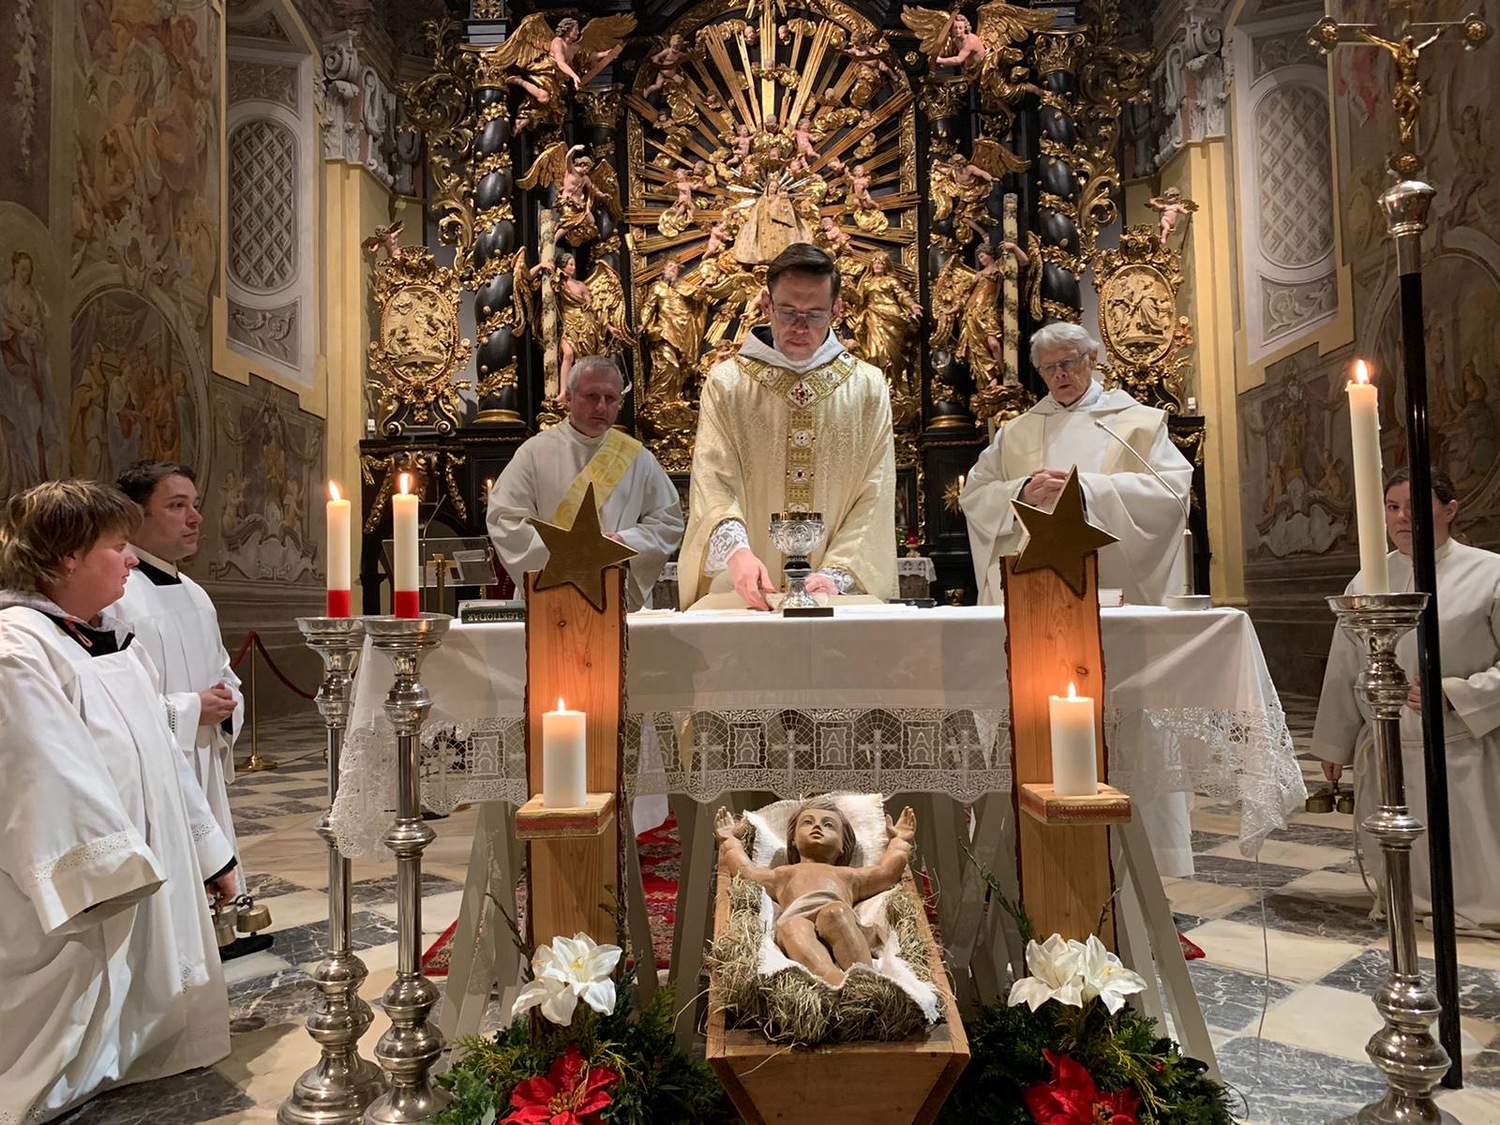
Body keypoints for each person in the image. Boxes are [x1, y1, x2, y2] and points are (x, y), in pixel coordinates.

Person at [0, 479, 236, 1121]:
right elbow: (45, 779)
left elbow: (166, 761)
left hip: (150, 870)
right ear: (67, 555)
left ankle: (137, 1046)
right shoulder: (19, 648)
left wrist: (211, 853)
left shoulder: (117, 646)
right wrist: (112, 870)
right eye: (117, 546)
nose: (132, 559)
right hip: (96, 892)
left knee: (149, 1020)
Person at [1312, 468, 1500, 933]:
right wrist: (1334, 746)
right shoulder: (1369, 580)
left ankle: (1479, 906)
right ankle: (1408, 899)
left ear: (1450, 509)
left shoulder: (1489, 573)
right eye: (1392, 508)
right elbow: (1345, 666)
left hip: (1463, 742)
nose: (1400, 519)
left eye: (1413, 507)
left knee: (1472, 845)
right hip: (1391, 741)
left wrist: (1457, 693)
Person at [677, 242, 898, 609]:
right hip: (745, 591)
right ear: (766, 305)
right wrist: (737, 553)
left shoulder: (867, 387)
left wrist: (835, 574)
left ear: (837, 310)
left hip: (833, 598)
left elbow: (875, 493)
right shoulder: (728, 384)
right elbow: (713, 479)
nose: (800, 326)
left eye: (814, 314)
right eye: (788, 311)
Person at [111, 460, 263, 957]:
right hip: (160, 760)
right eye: (177, 506)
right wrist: (185, 708)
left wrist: (226, 700)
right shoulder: (117, 595)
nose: (195, 517)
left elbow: (223, 670)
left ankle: (213, 931)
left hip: (202, 754)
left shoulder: (196, 593)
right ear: (135, 517)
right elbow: (111, 697)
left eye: (195, 505)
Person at [959, 322, 1192, 606]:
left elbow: (1172, 491)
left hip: (1113, 583)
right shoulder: (1015, 433)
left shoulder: (1136, 423)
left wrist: (1085, 492)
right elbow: (975, 494)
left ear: (1092, 359)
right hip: (1036, 588)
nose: (1060, 374)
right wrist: (1022, 492)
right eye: (1049, 368)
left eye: (1068, 361)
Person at [488, 355, 683, 610]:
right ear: (568, 397)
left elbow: (668, 522)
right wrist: (568, 553)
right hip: (550, 596)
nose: (601, 407)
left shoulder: (638, 459)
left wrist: (625, 543)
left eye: (611, 398)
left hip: (616, 594)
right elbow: (505, 519)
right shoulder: (534, 453)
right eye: (592, 396)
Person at [714, 797, 916, 986]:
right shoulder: (784, 874)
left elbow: (886, 873)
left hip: (836, 914)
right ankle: (832, 980)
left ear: (843, 846)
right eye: (807, 822)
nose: (817, 827)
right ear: (792, 840)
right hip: (797, 916)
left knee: (834, 914)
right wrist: (729, 840)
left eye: (829, 825)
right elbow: (746, 873)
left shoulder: (847, 874)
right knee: (791, 926)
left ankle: (864, 979)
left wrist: (901, 841)